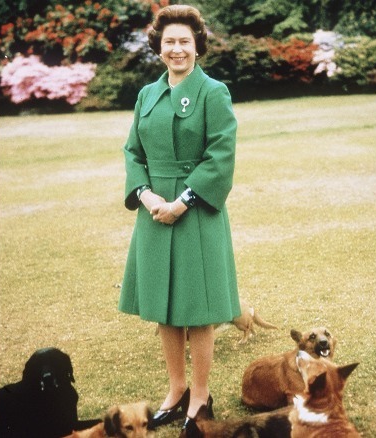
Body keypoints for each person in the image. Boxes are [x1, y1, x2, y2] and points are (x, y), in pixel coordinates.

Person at [118, 4, 241, 436]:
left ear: (197, 45)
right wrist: (149, 195)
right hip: (154, 214)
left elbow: (221, 155)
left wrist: (182, 201)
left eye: (184, 41)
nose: (177, 49)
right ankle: (176, 391)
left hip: (197, 213)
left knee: (198, 309)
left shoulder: (214, 92)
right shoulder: (146, 95)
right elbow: (133, 152)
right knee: (165, 308)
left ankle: (201, 397)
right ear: (158, 45)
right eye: (169, 41)